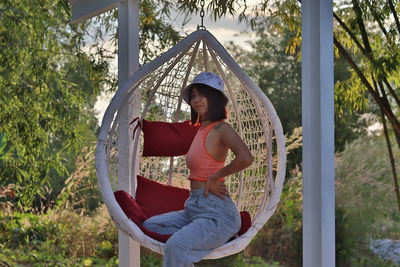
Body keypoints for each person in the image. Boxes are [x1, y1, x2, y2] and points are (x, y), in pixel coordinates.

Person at [142, 72, 254, 267]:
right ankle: (206, 238)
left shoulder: (222, 129)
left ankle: (216, 234)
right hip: (193, 207)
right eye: (193, 96)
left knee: (176, 247)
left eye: (202, 94)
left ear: (215, 98)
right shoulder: (201, 129)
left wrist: (216, 176)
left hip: (216, 212)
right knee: (150, 225)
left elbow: (247, 158)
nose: (196, 100)